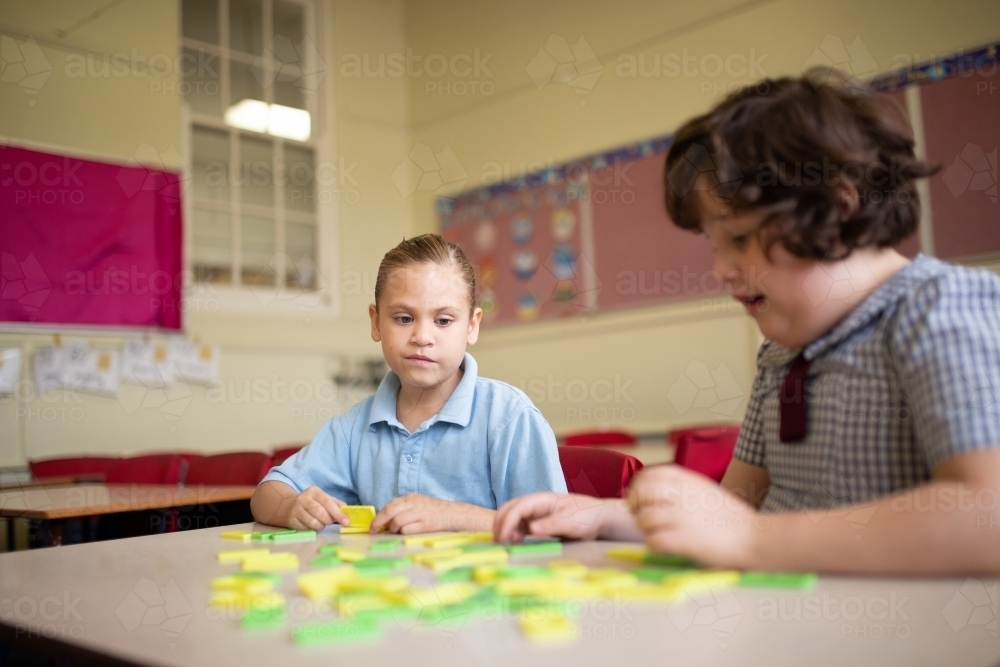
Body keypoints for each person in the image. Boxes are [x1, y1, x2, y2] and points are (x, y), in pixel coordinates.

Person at [494, 70, 1000, 574]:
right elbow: (736, 510)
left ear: (838, 207)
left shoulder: (940, 309)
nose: (720, 269)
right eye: (716, 245)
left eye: (738, 238)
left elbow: (987, 516)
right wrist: (602, 515)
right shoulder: (782, 354)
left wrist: (755, 541)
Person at [252, 234, 566, 534]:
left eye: (443, 321)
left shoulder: (509, 416)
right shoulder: (353, 429)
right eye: (403, 318)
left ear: (472, 326)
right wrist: (292, 506)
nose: (422, 337)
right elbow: (266, 495)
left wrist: (452, 516)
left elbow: (555, 524)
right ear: (376, 323)